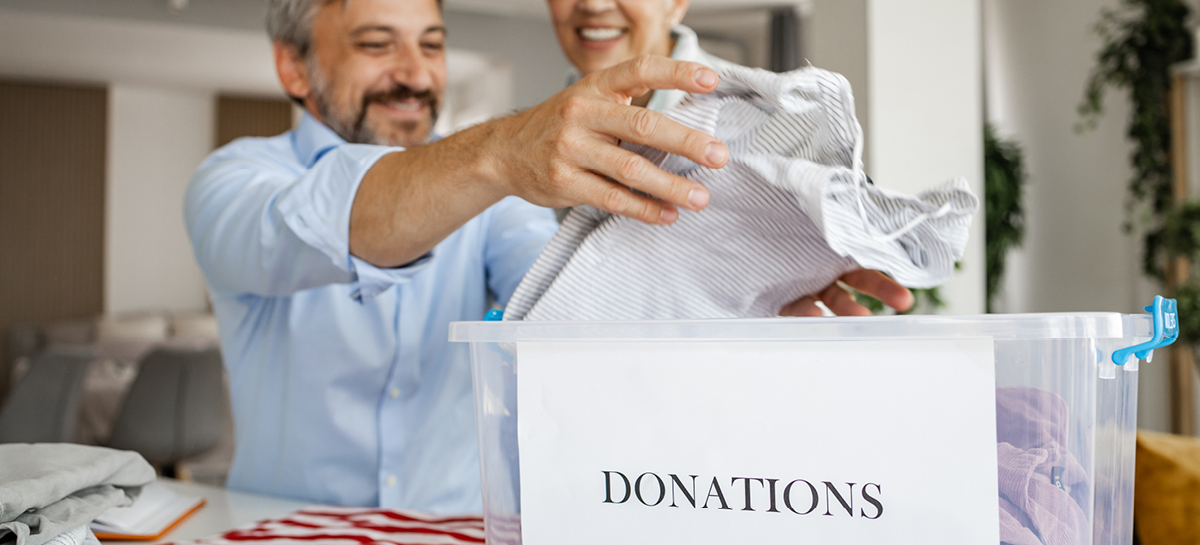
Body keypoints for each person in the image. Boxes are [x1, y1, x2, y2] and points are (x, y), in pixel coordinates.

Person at [184, 0, 910, 513]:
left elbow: (576, 304)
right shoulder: (234, 180)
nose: (413, 73)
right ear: (294, 66)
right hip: (281, 530)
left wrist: (739, 280)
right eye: (378, 45)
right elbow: (335, 219)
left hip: (458, 533)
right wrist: (499, 151)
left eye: (432, 45)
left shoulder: (490, 200)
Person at [545, 0, 914, 315]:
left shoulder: (767, 117)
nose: (592, 4)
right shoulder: (536, 130)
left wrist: (797, 263)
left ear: (675, 2)